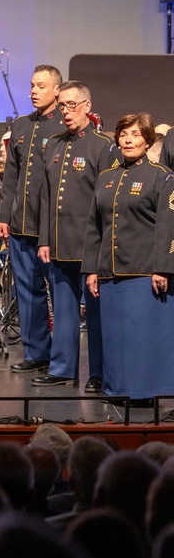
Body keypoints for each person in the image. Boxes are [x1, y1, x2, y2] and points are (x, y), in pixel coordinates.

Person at [84, 114, 174, 406]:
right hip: (110, 271)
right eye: (123, 134)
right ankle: (118, 389)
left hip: (145, 271)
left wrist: (162, 268)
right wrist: (92, 270)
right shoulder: (106, 178)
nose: (128, 140)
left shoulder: (162, 176)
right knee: (115, 337)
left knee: (142, 337)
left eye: (135, 135)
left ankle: (145, 392)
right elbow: (94, 227)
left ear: (147, 140)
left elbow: (167, 226)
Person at [34, 81, 116, 391]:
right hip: (58, 243)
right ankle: (62, 369)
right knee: (64, 310)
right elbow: (46, 197)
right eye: (62, 106)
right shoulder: (53, 143)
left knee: (95, 314)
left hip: (90, 245)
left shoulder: (102, 146)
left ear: (86, 106)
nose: (65, 112)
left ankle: (98, 372)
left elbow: (107, 201)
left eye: (71, 105)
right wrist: (44, 239)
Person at [0, 65, 64, 375]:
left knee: (60, 295)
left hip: (53, 228)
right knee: (27, 291)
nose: (33, 91)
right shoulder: (22, 126)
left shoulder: (65, 126)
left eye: (40, 85)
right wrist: (3, 217)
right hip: (21, 225)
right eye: (32, 85)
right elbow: (10, 176)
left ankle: (63, 361)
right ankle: (37, 352)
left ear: (57, 91)